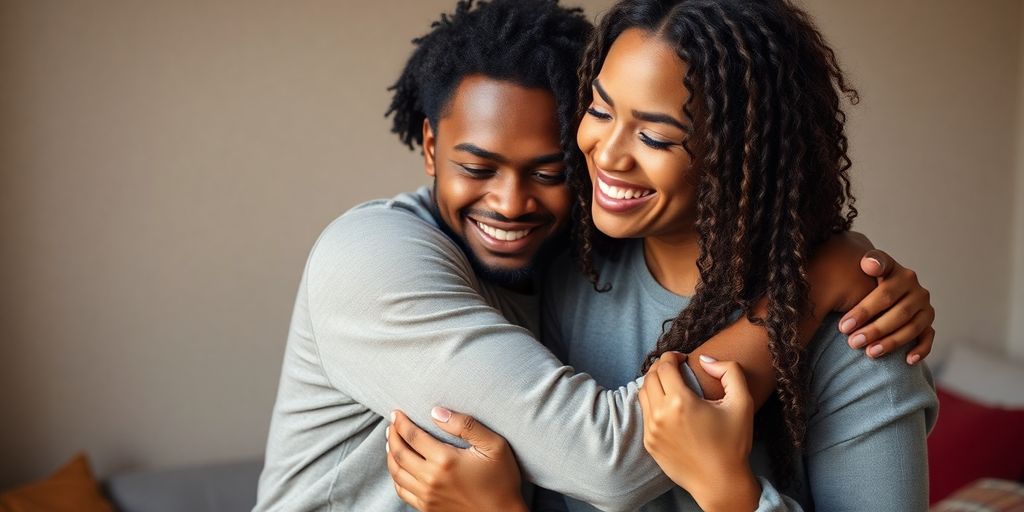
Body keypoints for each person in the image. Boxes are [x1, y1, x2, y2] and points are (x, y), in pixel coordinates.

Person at [255, 1, 935, 510]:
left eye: (658, 135)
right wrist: (813, 285)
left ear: (743, 156)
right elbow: (596, 459)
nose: (607, 155)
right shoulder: (566, 271)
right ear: (430, 146)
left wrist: (732, 494)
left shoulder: (859, 332)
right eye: (603, 111)